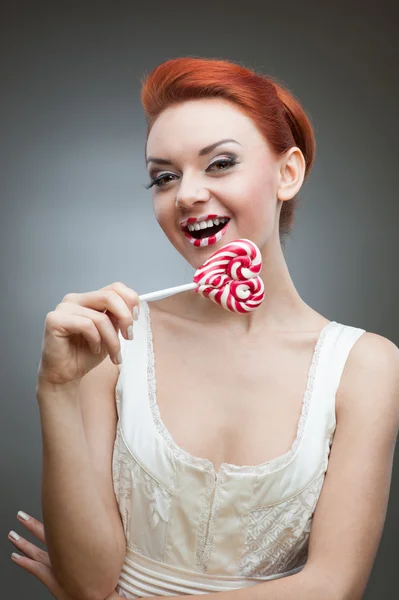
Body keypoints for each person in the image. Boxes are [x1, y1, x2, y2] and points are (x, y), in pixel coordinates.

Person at [8, 57, 399, 600]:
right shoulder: (115, 338)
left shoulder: (367, 367)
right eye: (164, 176)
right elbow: (89, 582)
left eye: (219, 164)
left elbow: (333, 587)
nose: (186, 194)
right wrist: (56, 390)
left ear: (288, 173)